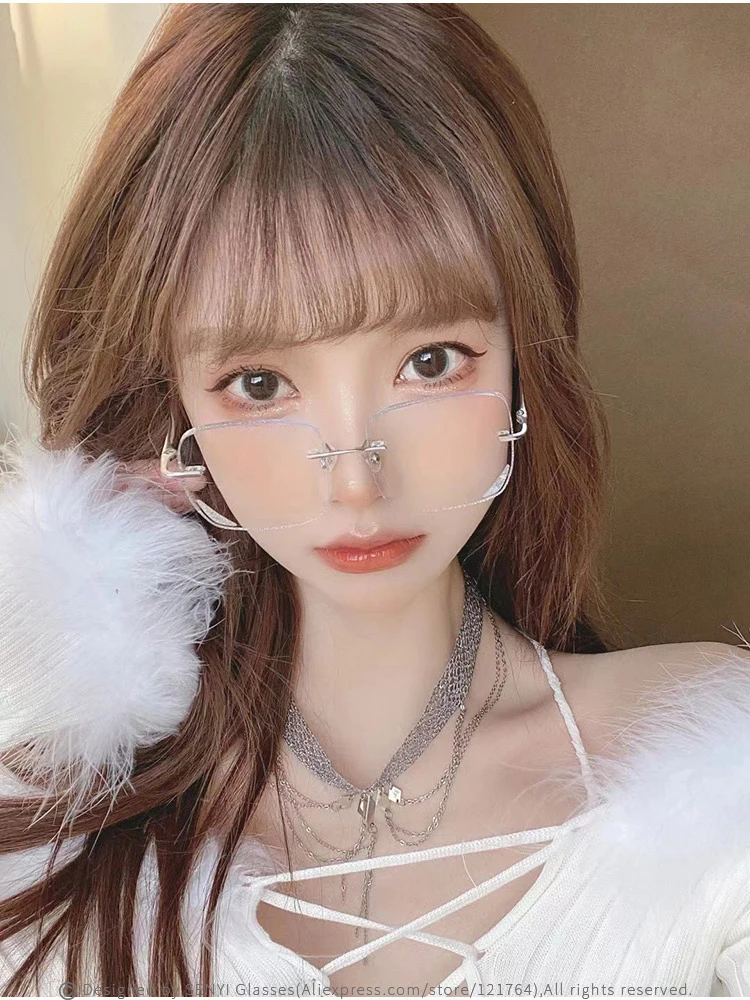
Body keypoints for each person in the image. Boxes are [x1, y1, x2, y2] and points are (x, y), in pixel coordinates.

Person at [1, 4, 749, 996]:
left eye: (431, 362)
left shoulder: (714, 770)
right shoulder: (51, 827)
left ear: (522, 357)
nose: (356, 479)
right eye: (260, 384)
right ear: (174, 405)